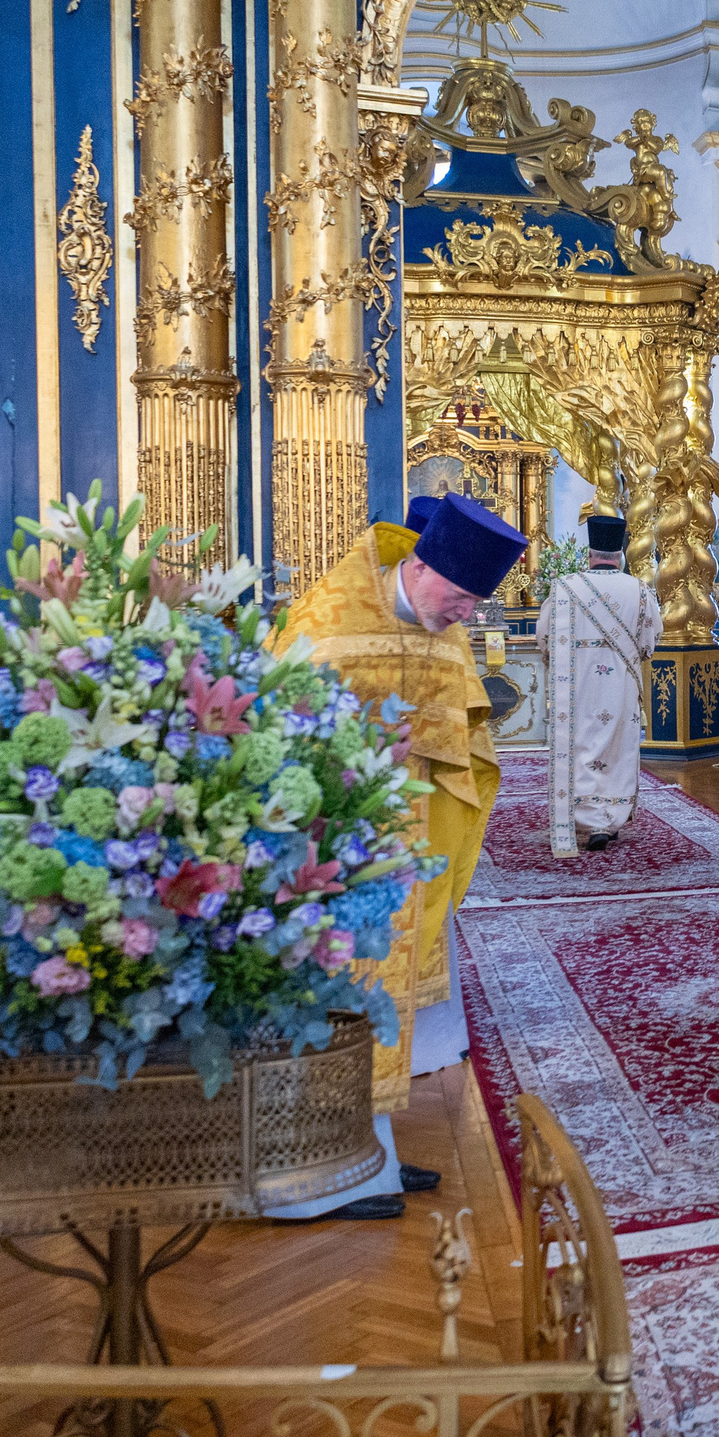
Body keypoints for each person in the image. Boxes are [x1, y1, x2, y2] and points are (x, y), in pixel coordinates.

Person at [268, 493, 521, 1219]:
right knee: (331, 1001)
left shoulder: (444, 631)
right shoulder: (331, 620)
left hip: (408, 848)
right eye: (460, 597)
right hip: (326, 852)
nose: (466, 614)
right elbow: (276, 732)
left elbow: (464, 741)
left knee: (380, 1005)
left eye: (475, 603)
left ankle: (369, 1152)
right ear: (420, 565)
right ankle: (306, 1181)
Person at [542, 513, 658, 856]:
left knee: (582, 743)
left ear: (589, 552)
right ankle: (608, 820)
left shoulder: (564, 588)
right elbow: (650, 641)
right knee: (618, 746)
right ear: (619, 554)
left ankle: (588, 816)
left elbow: (544, 638)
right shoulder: (639, 590)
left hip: (576, 688)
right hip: (620, 687)